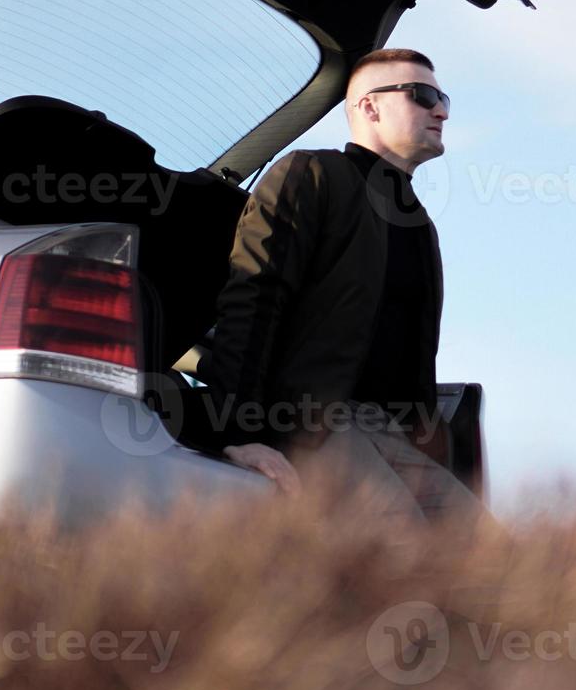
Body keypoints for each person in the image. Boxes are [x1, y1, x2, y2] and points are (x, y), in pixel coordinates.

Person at [180, 48, 485, 527]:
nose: (441, 111)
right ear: (369, 107)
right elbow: (255, 299)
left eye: (443, 98)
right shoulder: (311, 174)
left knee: (498, 566)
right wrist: (238, 432)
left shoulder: (418, 224)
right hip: (312, 425)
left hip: (392, 435)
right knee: (404, 557)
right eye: (423, 96)